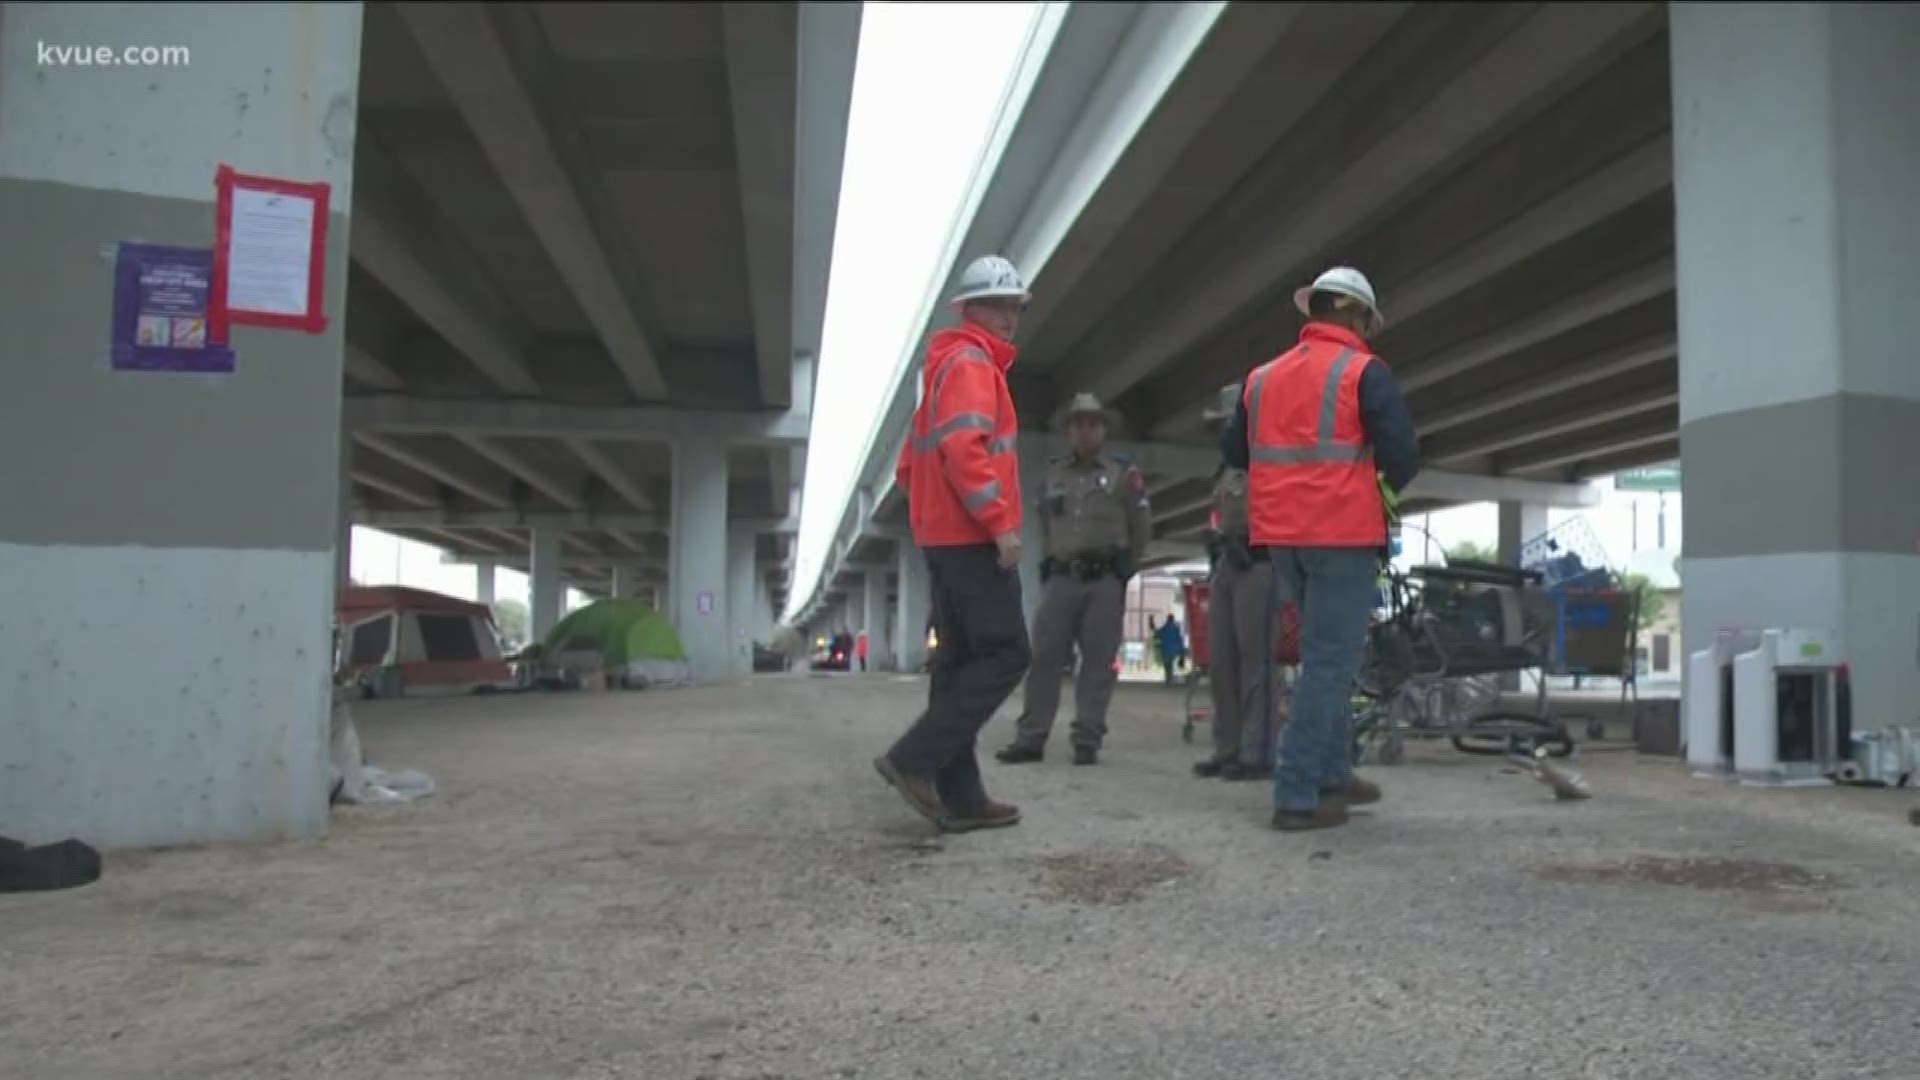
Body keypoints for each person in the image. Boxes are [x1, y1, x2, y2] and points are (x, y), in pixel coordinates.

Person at [1220, 266, 1420, 832]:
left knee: (1322, 659)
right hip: (1341, 534)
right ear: (1355, 314)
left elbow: (1235, 450)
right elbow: (1402, 454)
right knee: (1331, 663)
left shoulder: (1261, 378)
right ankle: (1297, 791)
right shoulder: (1363, 371)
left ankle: (1334, 775)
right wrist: (1372, 492)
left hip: (1283, 537)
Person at [874, 254, 1034, 833]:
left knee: (960, 661)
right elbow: (966, 449)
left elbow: (906, 469)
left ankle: (962, 796)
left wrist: (934, 520)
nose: (1009, 317)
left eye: (1015, 306)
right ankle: (912, 759)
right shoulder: (971, 366)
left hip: (943, 536)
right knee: (1007, 653)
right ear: (969, 310)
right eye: (998, 305)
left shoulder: (942, 369)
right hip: (969, 537)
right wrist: (998, 523)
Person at [996, 392, 1151, 767]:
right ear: (1068, 430)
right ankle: (1031, 737)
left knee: (1097, 662)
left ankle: (1087, 739)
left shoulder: (1122, 475)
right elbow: (1045, 523)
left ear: (1103, 430)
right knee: (1045, 657)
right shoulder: (1052, 475)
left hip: (1104, 582)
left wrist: (1123, 569)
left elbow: (1141, 526)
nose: (1086, 431)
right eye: (1078, 424)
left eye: (1093, 424)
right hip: (1063, 578)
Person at [1193, 384, 1281, 782]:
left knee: (1255, 661)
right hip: (1227, 565)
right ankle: (1226, 747)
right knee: (1222, 662)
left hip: (1259, 564)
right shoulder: (1225, 471)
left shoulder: (1271, 464)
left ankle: (1257, 752)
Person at [1155, 615, 1187, 685]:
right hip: (1173, 650)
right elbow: (1180, 640)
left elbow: (1157, 634)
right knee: (1170, 664)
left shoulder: (1164, 628)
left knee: (1167, 665)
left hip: (1166, 649)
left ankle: (1168, 679)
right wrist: (1181, 651)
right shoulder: (1176, 629)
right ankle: (1169, 678)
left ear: (1167, 619)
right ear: (1173, 620)